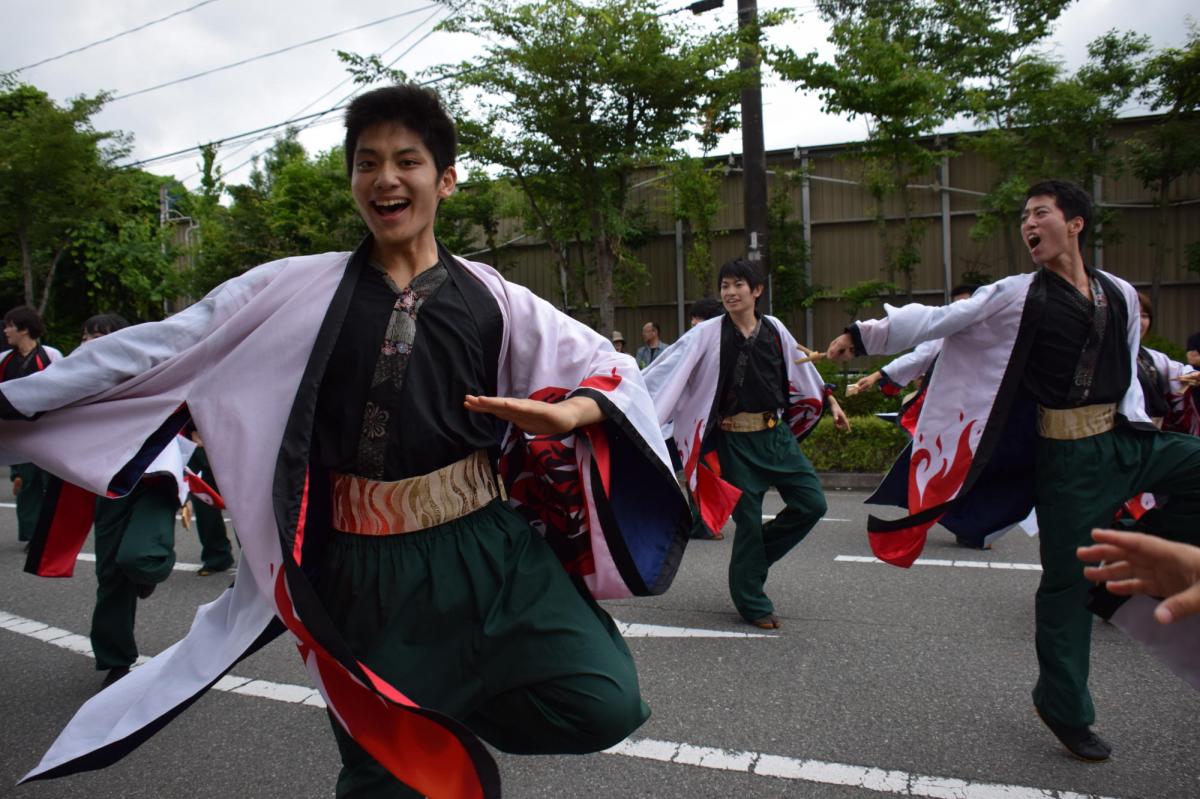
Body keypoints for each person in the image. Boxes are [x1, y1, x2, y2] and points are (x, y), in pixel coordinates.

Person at [1, 84, 688, 798]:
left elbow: (610, 370)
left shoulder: (496, 298)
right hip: (366, 573)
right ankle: (422, 726)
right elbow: (159, 347)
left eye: (406, 161)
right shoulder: (294, 293)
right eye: (367, 163)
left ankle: (440, 717)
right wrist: (20, 399)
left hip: (489, 551)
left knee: (603, 699)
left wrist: (572, 413)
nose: (385, 178)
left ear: (444, 179)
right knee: (384, 781)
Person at [826, 179, 1200, 762]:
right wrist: (863, 333)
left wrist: (1175, 381)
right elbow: (946, 319)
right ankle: (1064, 706)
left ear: (1074, 223)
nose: (1029, 225)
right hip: (1067, 458)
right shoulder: (1018, 293)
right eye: (1024, 217)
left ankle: (1136, 559)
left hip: (1125, 440)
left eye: (1040, 213)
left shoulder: (1121, 293)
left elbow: (1133, 362)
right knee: (1064, 586)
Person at [645, 258, 844, 629]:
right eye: (724, 286)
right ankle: (751, 600)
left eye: (738, 285)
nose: (730, 292)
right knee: (748, 524)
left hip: (776, 437)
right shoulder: (706, 334)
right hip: (733, 442)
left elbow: (804, 372)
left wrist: (830, 400)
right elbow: (665, 370)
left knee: (812, 504)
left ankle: (752, 563)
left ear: (756, 290)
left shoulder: (775, 329)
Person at [2, 305, 61, 546]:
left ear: (24, 329)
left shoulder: (51, 355)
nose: (5, 330)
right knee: (26, 485)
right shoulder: (4, 360)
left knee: (52, 485)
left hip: (49, 430)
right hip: (18, 431)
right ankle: (33, 535)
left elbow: (65, 387)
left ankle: (49, 535)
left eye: (9, 325)